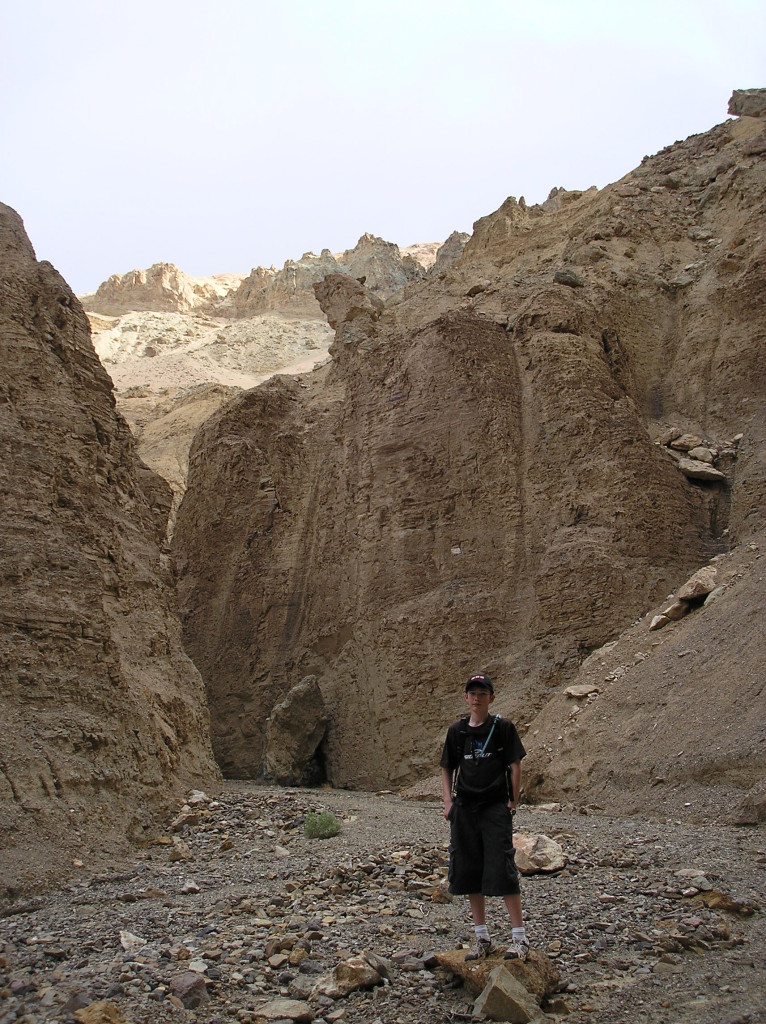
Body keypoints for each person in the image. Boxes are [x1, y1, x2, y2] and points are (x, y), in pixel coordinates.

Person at [440, 672, 529, 961]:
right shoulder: (457, 732)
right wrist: (448, 802)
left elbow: (515, 764)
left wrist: (512, 802)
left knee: (502, 868)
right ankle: (482, 937)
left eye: (482, 693)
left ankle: (519, 938)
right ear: (466, 697)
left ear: (491, 697)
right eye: (472, 693)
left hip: (494, 808)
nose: (476, 698)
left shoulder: (502, 728)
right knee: (468, 871)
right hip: (465, 809)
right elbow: (447, 767)